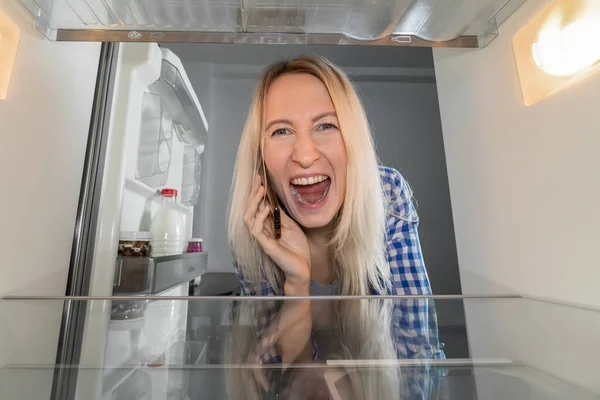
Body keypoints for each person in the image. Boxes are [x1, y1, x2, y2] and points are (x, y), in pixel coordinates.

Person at [228, 54, 433, 298]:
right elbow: (273, 337)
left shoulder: (387, 193)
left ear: (352, 139)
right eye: (281, 131)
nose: (305, 156)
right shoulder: (256, 229)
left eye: (326, 126)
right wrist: (297, 283)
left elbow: (415, 333)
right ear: (260, 154)